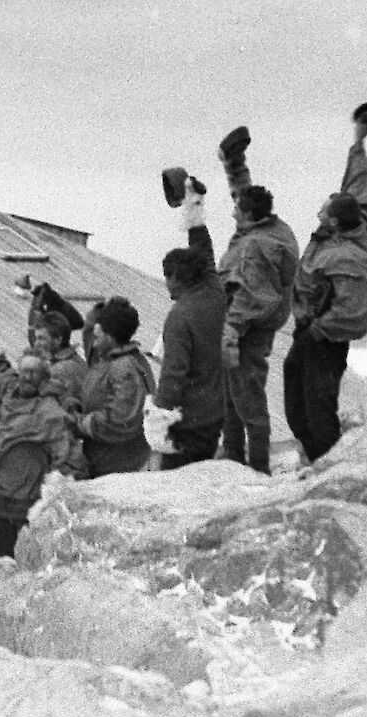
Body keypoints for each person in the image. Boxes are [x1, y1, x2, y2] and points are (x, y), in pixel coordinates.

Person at [286, 105, 367, 464]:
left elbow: (353, 305)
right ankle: (319, 460)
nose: (318, 213)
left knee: (317, 408)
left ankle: (329, 466)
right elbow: (361, 188)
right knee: (295, 398)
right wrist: (358, 143)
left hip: (323, 339)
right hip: (310, 334)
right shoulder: (353, 222)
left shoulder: (347, 256)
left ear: (334, 221)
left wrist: (321, 329)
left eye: (323, 211)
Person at [213, 126, 301, 474]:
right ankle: (236, 460)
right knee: (234, 398)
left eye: (237, 210)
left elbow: (251, 297)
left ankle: (256, 467)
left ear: (249, 216)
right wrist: (234, 166)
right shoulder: (270, 228)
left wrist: (230, 332)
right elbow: (245, 196)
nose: (233, 213)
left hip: (248, 331)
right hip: (254, 327)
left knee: (247, 401)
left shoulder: (256, 247)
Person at [156, 176, 230, 470]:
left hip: (186, 422)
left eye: (167, 276)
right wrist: (193, 206)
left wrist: (159, 417)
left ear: (176, 277)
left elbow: (173, 373)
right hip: (213, 413)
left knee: (176, 486)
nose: (165, 284)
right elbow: (205, 254)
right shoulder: (213, 294)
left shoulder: (179, 317)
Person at [0, 353, 75, 558]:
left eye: (34, 373)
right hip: (3, 499)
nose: (27, 377)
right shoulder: (6, 393)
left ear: (44, 379)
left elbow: (66, 457)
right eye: (24, 371)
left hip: (30, 505)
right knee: (3, 560)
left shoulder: (50, 413)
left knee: (29, 563)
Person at [77, 299, 157, 477]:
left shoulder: (125, 369)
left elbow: (121, 420)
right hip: (104, 458)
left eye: (97, 337)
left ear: (111, 337)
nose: (94, 343)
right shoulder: (109, 358)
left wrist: (82, 424)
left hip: (118, 466)